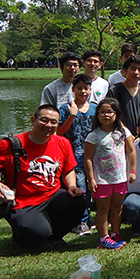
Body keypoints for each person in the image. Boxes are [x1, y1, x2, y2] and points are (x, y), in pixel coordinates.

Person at [0, 105, 86, 248]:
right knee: (38, 233)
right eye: (44, 120)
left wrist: (72, 186)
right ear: (33, 120)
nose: (49, 125)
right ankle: (22, 236)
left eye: (54, 122)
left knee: (77, 202)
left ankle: (55, 237)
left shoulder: (62, 143)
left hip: (52, 195)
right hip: (23, 202)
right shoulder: (13, 144)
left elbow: (68, 169)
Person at [84, 97, 136, 249]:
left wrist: (132, 171)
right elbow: (88, 159)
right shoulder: (93, 136)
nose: (106, 115)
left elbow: (131, 151)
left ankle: (115, 233)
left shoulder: (123, 132)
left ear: (116, 114)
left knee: (117, 207)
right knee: (103, 209)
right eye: (102, 112)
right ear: (97, 115)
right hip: (102, 179)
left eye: (109, 112)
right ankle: (103, 237)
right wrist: (91, 179)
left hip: (120, 177)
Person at [57, 73, 97, 236]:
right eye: (79, 88)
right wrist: (72, 115)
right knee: (80, 187)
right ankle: (81, 221)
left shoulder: (95, 108)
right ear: (73, 89)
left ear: (90, 90)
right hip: (73, 156)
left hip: (93, 156)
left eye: (86, 88)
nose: (83, 92)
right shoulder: (65, 109)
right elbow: (59, 132)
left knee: (92, 186)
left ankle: (88, 217)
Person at [106, 54, 140, 134]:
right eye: (133, 69)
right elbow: (112, 115)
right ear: (125, 70)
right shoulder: (115, 91)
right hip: (120, 134)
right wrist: (127, 134)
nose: (136, 72)